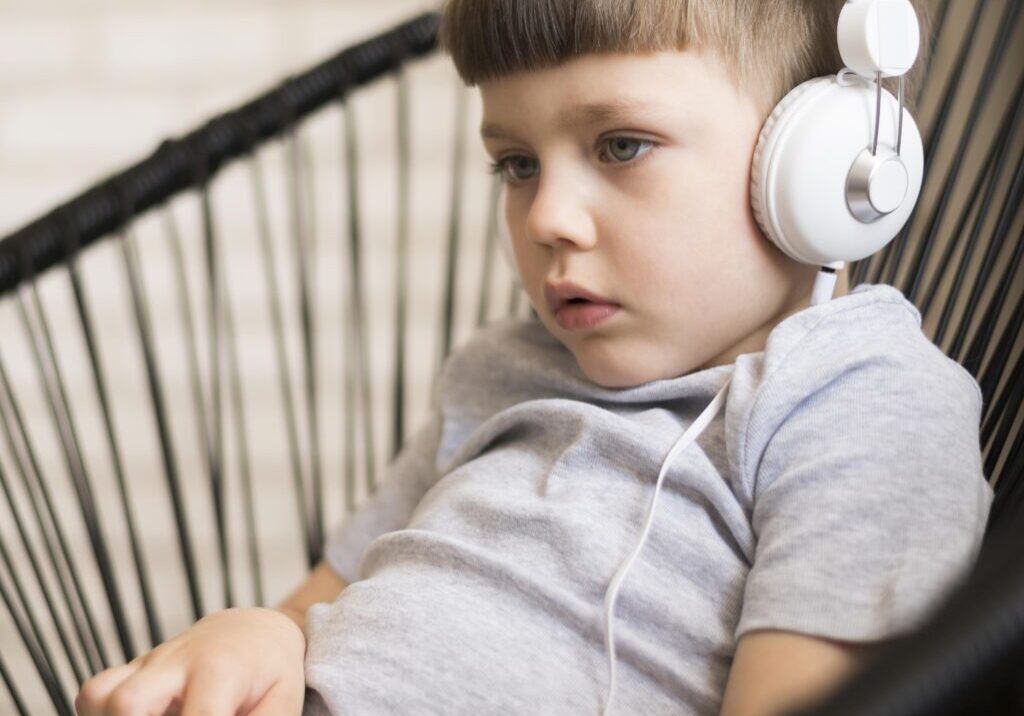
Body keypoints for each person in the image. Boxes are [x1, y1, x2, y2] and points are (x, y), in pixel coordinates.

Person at [75, 1, 994, 714]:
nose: (547, 217)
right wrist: (257, 641)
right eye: (517, 164)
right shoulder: (498, 369)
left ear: (815, 165)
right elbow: (314, 606)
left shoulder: (853, 399)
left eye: (620, 145)